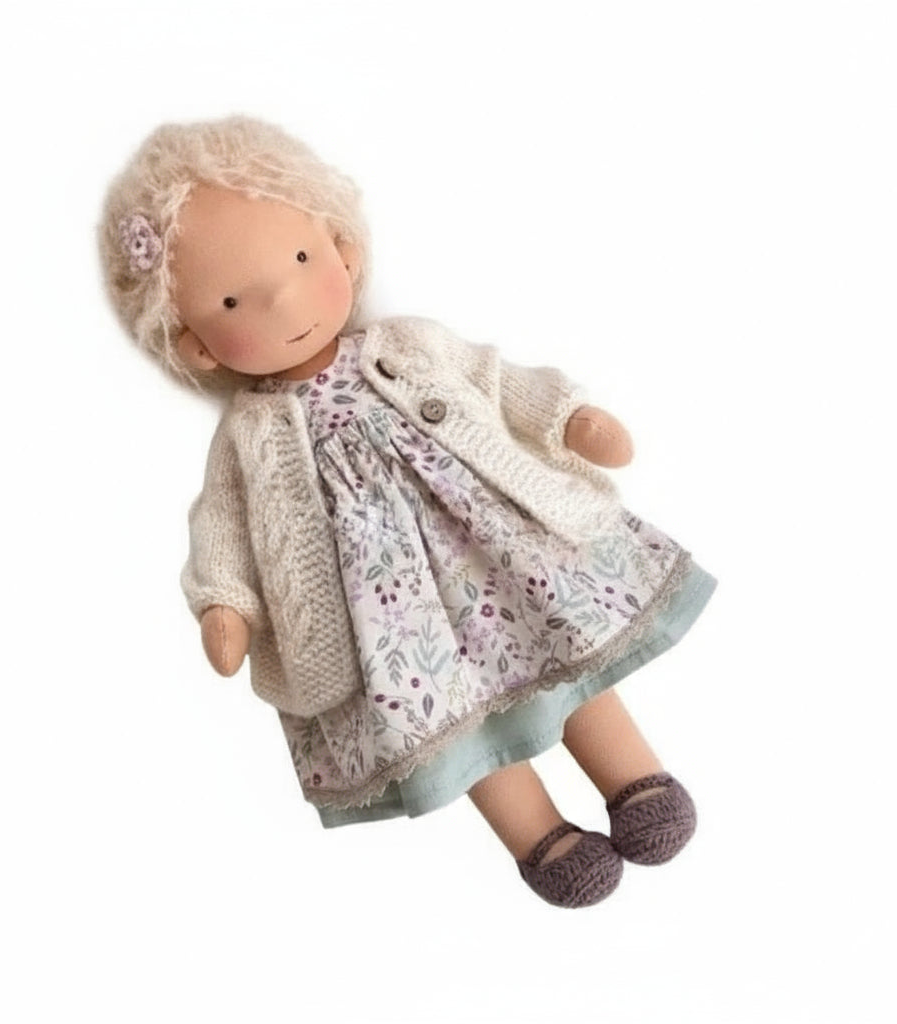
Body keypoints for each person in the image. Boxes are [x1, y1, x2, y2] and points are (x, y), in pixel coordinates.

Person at [98, 116, 717, 908]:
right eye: (230, 300)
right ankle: (541, 839)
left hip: (494, 548)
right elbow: (221, 521)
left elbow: (493, 379)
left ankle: (635, 780)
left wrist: (566, 417)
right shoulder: (247, 435)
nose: (282, 298)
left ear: (341, 249)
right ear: (197, 345)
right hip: (382, 618)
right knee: (447, 716)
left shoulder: (408, 345)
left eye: (299, 260)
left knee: (559, 643)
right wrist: (225, 603)